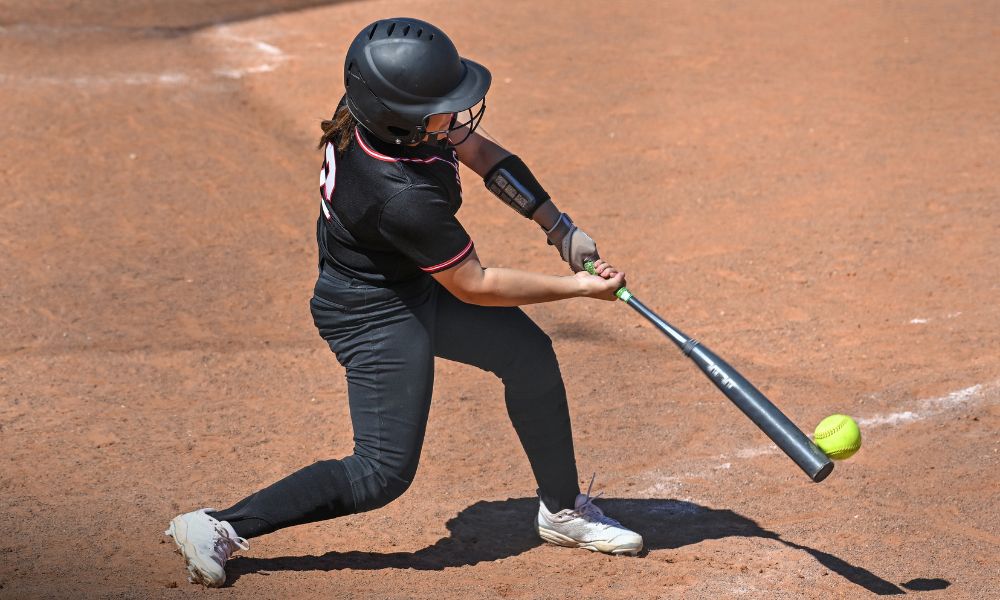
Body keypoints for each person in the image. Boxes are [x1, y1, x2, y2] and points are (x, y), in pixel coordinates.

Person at [164, 17, 642, 587]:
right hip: (370, 312)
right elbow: (475, 285)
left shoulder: (386, 116)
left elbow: (483, 154)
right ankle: (215, 525)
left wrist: (557, 226)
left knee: (529, 356)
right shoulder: (399, 197)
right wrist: (581, 289)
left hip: (413, 285)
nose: (458, 119)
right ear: (400, 118)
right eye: (444, 109)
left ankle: (562, 511)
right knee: (381, 472)